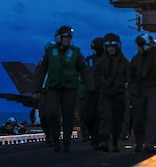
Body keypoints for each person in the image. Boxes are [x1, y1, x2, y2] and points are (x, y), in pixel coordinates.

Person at [33, 25, 90, 153]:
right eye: (65, 37)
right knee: (52, 113)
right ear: (59, 38)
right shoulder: (50, 53)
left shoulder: (75, 53)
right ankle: (55, 140)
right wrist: (36, 88)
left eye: (69, 38)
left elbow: (84, 70)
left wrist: (90, 86)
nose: (68, 40)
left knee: (68, 115)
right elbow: (41, 71)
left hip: (70, 88)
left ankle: (66, 143)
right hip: (53, 88)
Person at [128, 33, 156, 153]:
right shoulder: (136, 60)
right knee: (138, 117)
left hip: (152, 90)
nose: (139, 48)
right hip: (139, 91)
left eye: (140, 46)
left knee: (151, 116)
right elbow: (130, 76)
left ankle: (149, 143)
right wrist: (133, 88)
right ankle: (139, 143)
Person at [93, 33, 129, 152]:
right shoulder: (101, 62)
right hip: (105, 93)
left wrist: (119, 82)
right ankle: (104, 140)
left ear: (117, 47)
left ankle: (114, 141)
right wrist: (105, 82)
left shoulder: (124, 62)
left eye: (113, 46)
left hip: (119, 94)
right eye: (108, 47)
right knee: (105, 116)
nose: (111, 49)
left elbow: (129, 76)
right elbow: (96, 76)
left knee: (117, 118)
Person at [82, 37, 104, 148]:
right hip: (91, 91)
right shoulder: (88, 60)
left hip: (103, 92)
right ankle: (93, 134)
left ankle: (97, 139)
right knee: (89, 116)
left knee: (100, 117)